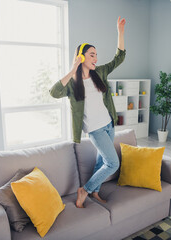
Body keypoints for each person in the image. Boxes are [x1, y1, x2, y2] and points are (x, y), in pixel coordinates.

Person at [50, 17, 126, 208]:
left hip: (108, 124)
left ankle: (95, 192)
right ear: (82, 57)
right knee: (113, 163)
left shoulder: (99, 73)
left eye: (96, 55)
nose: (96, 58)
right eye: (92, 55)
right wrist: (73, 68)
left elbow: (119, 58)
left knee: (102, 162)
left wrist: (120, 32)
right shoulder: (72, 84)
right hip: (95, 130)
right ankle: (85, 189)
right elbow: (54, 92)